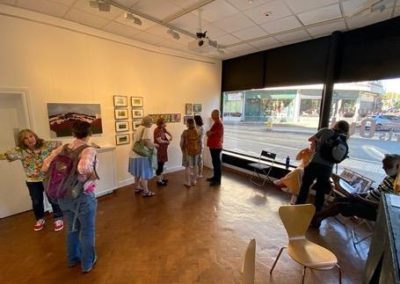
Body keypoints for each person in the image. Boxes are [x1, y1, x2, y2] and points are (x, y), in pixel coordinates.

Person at [42, 121, 98, 273]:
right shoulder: (88, 149)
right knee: (87, 230)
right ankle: (87, 263)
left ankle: (72, 259)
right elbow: (83, 168)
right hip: (82, 196)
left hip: (62, 195)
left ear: (73, 134)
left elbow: (45, 165)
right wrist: (92, 174)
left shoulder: (63, 147)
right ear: (90, 133)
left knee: (72, 228)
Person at [311, 154, 400, 228]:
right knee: (339, 200)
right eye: (384, 166)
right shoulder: (389, 178)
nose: (383, 168)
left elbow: (383, 206)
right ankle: (319, 218)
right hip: (367, 201)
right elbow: (375, 192)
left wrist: (361, 199)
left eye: (387, 166)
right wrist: (360, 195)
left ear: (397, 167)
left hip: (376, 211)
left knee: (341, 206)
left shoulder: (397, 186)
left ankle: (316, 217)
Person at [0, 129, 63, 232]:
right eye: (25, 138)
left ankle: (58, 217)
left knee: (53, 199)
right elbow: (7, 155)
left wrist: (54, 158)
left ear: (35, 136)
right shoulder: (20, 151)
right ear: (22, 141)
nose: (29, 139)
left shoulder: (45, 145)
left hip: (48, 178)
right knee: (36, 201)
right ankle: (40, 219)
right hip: (32, 181)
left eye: (31, 136)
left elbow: (60, 144)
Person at [296, 120, 350, 211]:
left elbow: (311, 139)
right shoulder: (344, 140)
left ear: (336, 125)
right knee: (320, 192)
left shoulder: (326, 131)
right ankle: (316, 213)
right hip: (327, 169)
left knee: (305, 187)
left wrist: (320, 142)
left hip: (315, 163)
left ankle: (297, 208)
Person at [129, 116, 156, 197]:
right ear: (149, 123)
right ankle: (146, 192)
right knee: (145, 173)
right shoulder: (146, 128)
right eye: (151, 122)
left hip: (133, 154)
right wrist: (155, 145)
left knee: (137, 173)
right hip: (142, 155)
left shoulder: (139, 127)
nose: (152, 124)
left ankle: (137, 187)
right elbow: (146, 141)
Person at [180, 118, 200, 187]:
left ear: (188, 124)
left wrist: (182, 150)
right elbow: (199, 142)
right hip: (196, 151)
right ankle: (194, 181)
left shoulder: (185, 132)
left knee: (187, 167)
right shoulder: (197, 131)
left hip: (187, 151)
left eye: (186, 123)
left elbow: (181, 143)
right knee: (195, 165)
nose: (186, 124)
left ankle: (188, 182)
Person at [206, 109, 224, 186]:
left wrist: (209, 133)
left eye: (212, 115)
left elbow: (211, 133)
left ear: (216, 115)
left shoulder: (219, 124)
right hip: (213, 146)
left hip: (216, 146)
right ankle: (215, 177)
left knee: (217, 164)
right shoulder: (216, 123)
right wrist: (209, 133)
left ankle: (217, 180)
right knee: (215, 162)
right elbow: (209, 133)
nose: (211, 116)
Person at [153, 118, 172, 186]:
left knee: (162, 164)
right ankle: (159, 181)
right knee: (159, 165)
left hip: (163, 150)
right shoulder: (157, 130)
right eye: (164, 123)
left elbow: (168, 132)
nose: (165, 124)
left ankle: (161, 178)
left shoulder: (162, 128)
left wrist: (171, 136)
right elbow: (159, 141)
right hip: (159, 150)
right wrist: (167, 141)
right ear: (160, 124)